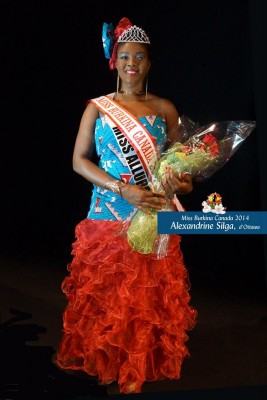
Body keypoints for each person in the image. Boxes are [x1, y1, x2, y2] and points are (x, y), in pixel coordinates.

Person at [55, 17, 197, 394]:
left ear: (149, 64)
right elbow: (79, 161)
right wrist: (122, 188)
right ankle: (104, 358)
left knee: (144, 294)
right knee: (108, 290)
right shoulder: (98, 108)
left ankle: (134, 367)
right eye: (125, 56)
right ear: (114, 62)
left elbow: (181, 171)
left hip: (152, 213)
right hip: (107, 211)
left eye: (139, 57)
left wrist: (178, 180)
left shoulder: (166, 108)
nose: (131, 63)